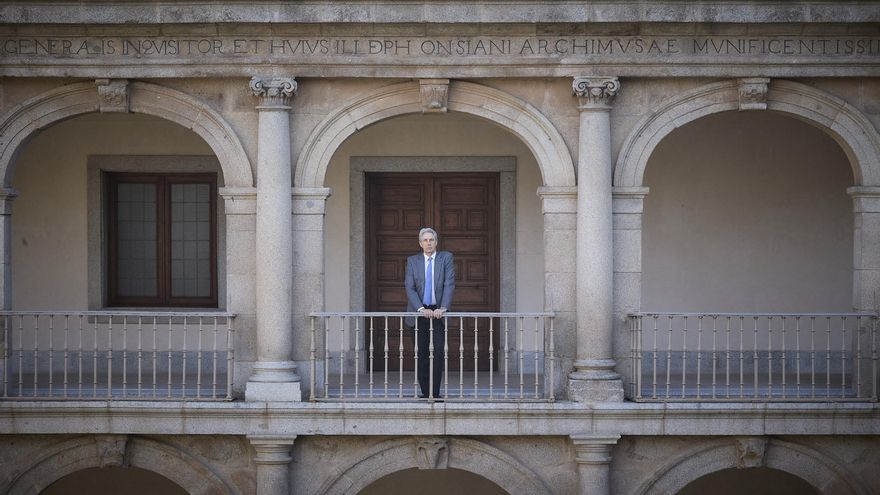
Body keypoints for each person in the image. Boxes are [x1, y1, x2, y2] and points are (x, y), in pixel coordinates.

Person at [404, 227, 455, 399]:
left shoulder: (445, 258)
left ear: (436, 242)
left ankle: (435, 392)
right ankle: (425, 392)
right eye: (425, 240)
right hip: (419, 312)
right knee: (422, 353)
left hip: (439, 312)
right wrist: (421, 309)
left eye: (431, 240)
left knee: (438, 352)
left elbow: (449, 284)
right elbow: (410, 287)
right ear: (420, 243)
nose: (428, 243)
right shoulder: (412, 261)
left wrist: (444, 308)